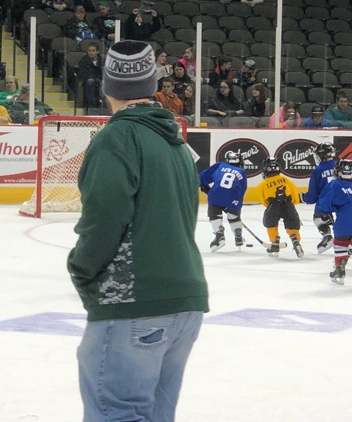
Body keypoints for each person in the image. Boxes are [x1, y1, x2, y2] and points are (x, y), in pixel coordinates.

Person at [67, 40, 208, 420]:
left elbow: (103, 220)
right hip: (184, 301)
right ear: (152, 85)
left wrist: (80, 269)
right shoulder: (175, 141)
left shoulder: (117, 137)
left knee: (118, 412)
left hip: (133, 304)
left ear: (106, 86)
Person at [255, 157, 304, 258]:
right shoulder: (286, 180)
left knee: (270, 223)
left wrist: (271, 207)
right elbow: (295, 196)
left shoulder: (262, 184)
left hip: (273, 206)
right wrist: (291, 205)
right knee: (292, 223)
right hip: (288, 205)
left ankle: (275, 243)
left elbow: (264, 201)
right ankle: (295, 240)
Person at [199, 152, 247, 252]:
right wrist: (234, 206)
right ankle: (238, 234)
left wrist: (204, 187)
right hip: (234, 198)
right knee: (234, 216)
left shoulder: (220, 165)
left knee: (214, 216)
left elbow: (203, 176)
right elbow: (242, 190)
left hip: (216, 195)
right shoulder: (241, 172)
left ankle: (219, 234)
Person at [300, 142, 337, 253]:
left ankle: (327, 236)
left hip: (326, 201)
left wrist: (303, 197)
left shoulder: (318, 170)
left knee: (318, 217)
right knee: (345, 217)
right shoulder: (341, 165)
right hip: (344, 199)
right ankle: (350, 241)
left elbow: (312, 195)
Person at [77, 41, 103, 110]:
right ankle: (92, 106)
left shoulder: (102, 61)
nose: (91, 52)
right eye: (89, 50)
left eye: (93, 51)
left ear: (97, 52)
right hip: (88, 82)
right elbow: (82, 75)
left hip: (99, 81)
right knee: (90, 81)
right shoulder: (83, 61)